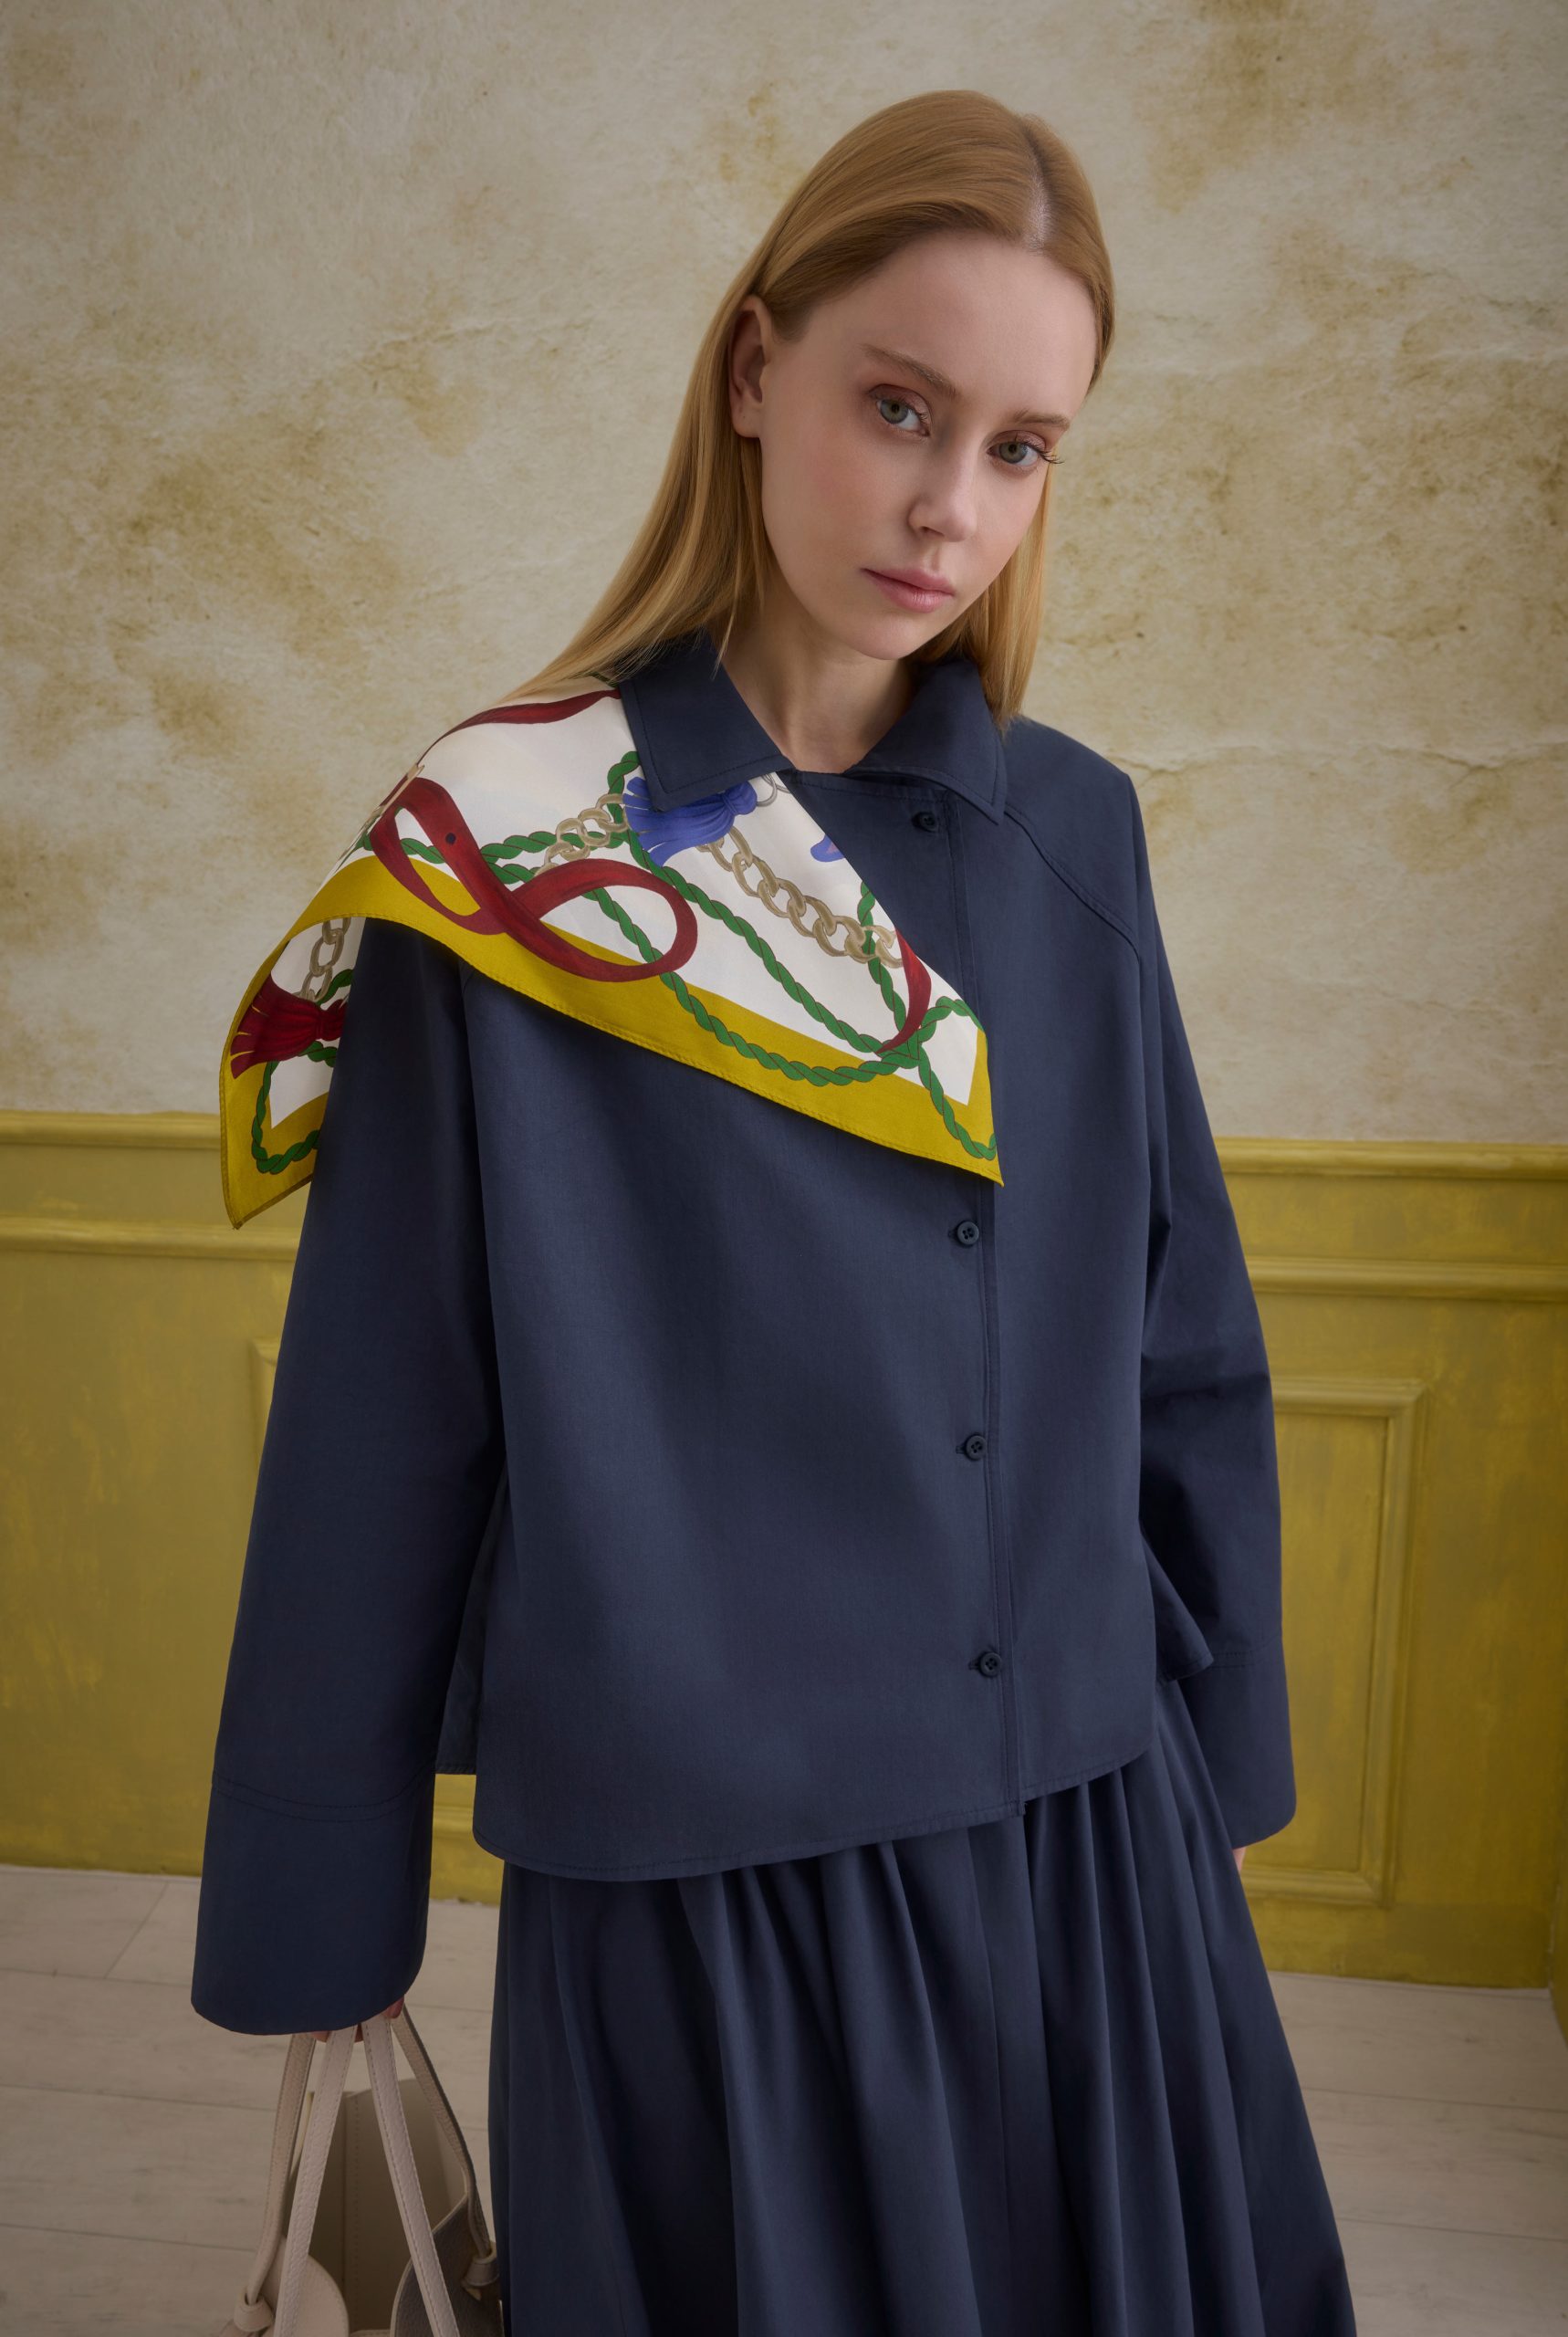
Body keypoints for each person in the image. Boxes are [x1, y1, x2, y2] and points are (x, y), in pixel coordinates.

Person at [192, 86, 1356, 2335]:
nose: (948, 506)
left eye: (1019, 447)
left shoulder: (1074, 838)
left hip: (1079, 1838)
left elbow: (1180, 1330)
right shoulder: (505, 863)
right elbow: (381, 1423)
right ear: (753, 369)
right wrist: (320, 1922)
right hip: (705, 1892)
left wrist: (1206, 1788)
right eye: (898, 406)